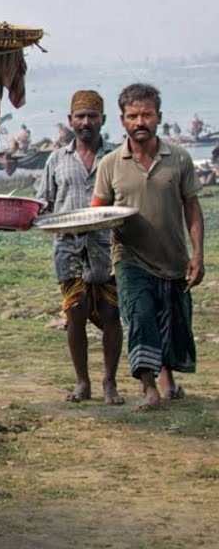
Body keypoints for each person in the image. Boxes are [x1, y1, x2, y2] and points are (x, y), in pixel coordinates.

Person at [92, 83, 205, 410]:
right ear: (122, 120)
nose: (140, 121)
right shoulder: (111, 163)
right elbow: (97, 208)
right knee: (140, 317)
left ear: (159, 117)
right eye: (132, 116)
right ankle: (149, 388)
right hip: (129, 257)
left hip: (173, 258)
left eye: (146, 115)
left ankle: (168, 378)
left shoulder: (179, 158)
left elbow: (192, 207)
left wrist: (197, 254)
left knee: (170, 320)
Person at [35, 90, 123, 404]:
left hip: (108, 246)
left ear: (103, 120)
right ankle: (82, 382)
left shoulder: (116, 157)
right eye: (80, 117)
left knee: (112, 315)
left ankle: (110, 382)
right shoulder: (57, 159)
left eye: (92, 117)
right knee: (75, 314)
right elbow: (44, 202)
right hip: (68, 248)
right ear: (70, 120)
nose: (86, 122)